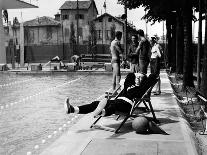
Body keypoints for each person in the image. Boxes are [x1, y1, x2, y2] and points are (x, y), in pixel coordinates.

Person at [64, 73, 157, 117]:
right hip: (117, 100)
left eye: (140, 78)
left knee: (113, 105)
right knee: (96, 103)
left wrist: (148, 77)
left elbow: (151, 79)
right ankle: (72, 109)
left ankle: (102, 112)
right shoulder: (128, 85)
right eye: (137, 77)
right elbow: (130, 76)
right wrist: (135, 74)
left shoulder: (140, 89)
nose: (138, 79)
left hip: (127, 104)